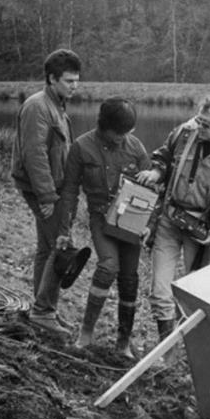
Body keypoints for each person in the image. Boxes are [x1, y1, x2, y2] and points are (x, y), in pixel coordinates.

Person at [136, 95, 210, 344]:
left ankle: (191, 349)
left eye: (206, 124)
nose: (199, 127)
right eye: (199, 120)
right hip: (168, 218)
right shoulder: (183, 133)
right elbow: (163, 157)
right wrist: (156, 172)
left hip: (200, 231)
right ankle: (167, 353)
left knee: (194, 294)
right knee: (160, 291)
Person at [66, 98, 151, 357]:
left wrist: (150, 224)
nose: (122, 138)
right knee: (107, 267)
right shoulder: (81, 147)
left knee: (129, 279)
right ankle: (86, 334)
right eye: (118, 133)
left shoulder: (136, 148)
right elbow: (70, 190)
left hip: (131, 220)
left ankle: (123, 343)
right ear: (103, 126)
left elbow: (151, 191)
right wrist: (64, 228)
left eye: (127, 132)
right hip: (101, 218)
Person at [10, 49, 81, 335]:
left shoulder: (57, 104)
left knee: (47, 248)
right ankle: (43, 313)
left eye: (77, 80)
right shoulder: (38, 107)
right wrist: (48, 197)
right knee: (60, 247)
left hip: (54, 187)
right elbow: (35, 154)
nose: (74, 86)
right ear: (51, 79)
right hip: (43, 189)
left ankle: (46, 308)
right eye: (68, 81)